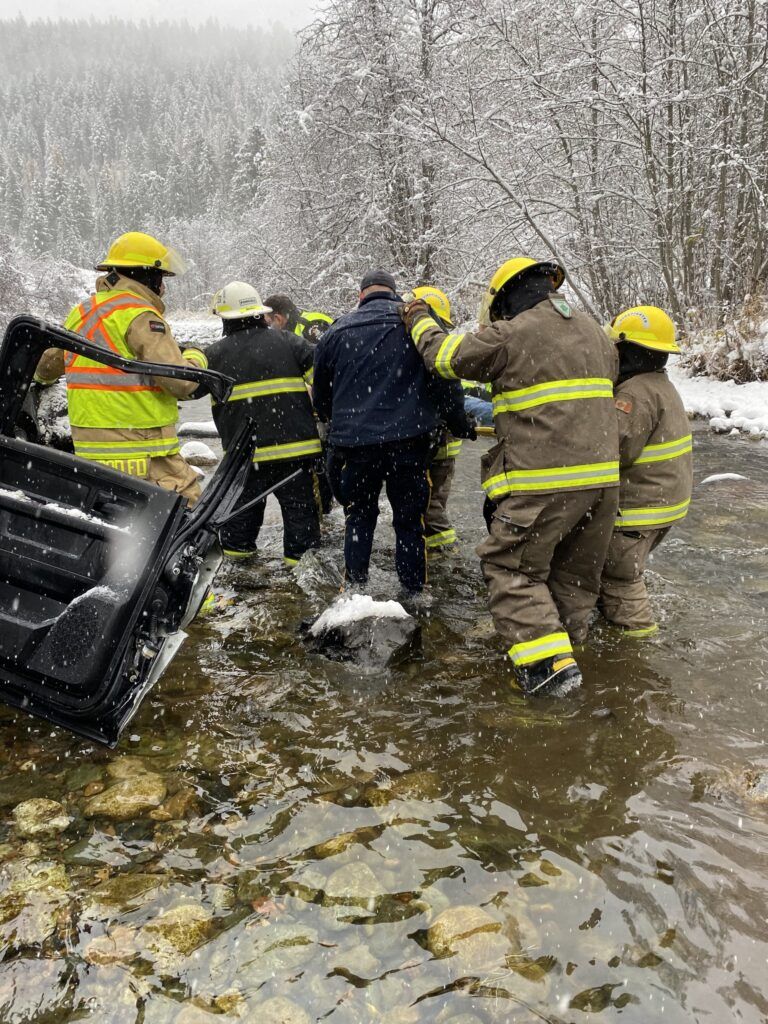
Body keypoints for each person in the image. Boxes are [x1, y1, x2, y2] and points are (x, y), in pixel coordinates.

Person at [401, 257, 620, 695]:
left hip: (542, 483)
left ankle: (549, 673)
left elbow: (444, 357)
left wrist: (418, 316)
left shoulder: (513, 332)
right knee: (572, 576)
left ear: (506, 299)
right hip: (602, 485)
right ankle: (571, 651)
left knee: (510, 569)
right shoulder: (596, 333)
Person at [312, 270, 469, 596]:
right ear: (396, 294)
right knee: (410, 523)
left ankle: (355, 589)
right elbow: (444, 379)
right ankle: (413, 593)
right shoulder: (414, 325)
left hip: (355, 446)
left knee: (358, 517)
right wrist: (456, 421)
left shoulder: (337, 330)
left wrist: (342, 425)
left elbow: (321, 398)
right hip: (409, 444)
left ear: (361, 295)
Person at [35, 231, 204, 503]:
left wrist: (38, 381)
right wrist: (197, 358)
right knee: (190, 513)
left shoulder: (82, 312)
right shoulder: (141, 316)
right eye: (161, 279)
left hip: (90, 456)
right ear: (147, 276)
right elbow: (183, 383)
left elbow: (47, 367)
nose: (163, 288)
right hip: (143, 451)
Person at [183, 281, 321, 566]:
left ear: (225, 318)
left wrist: (191, 354)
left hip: (246, 458)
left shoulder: (214, 355)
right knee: (302, 530)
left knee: (239, 529)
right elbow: (325, 382)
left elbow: (187, 390)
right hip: (296, 454)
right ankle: (300, 587)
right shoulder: (291, 342)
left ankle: (243, 580)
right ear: (259, 312)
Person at [598, 306, 693, 635]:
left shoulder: (634, 394)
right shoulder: (661, 385)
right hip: (664, 506)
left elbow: (613, 450)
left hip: (638, 510)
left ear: (628, 351)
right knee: (621, 571)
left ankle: (637, 656)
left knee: (620, 578)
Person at [411, 286, 470, 556]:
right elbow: (450, 393)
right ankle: (443, 554)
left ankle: (444, 553)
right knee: (432, 503)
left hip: (431, 442)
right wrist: (460, 422)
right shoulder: (431, 350)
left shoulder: (410, 347)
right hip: (439, 442)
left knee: (428, 505)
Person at [264, 293, 333, 345]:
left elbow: (331, 355)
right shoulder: (294, 329)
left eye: (269, 323)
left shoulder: (309, 326)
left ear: (278, 318)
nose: (269, 328)